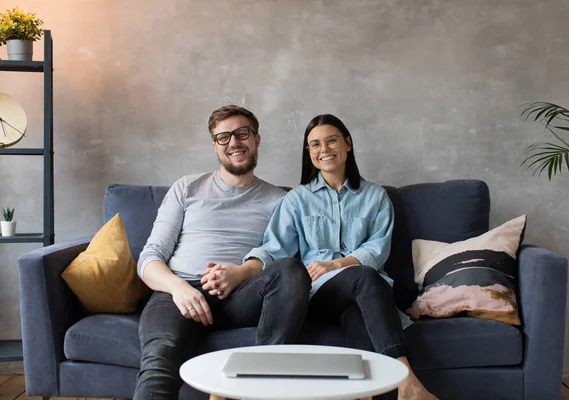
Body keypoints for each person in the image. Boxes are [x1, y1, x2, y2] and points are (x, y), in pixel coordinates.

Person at [233, 114, 437, 400]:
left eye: (331, 140)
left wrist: (337, 263)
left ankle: (370, 394)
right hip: (317, 294)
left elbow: (377, 250)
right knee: (364, 277)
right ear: (309, 153)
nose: (324, 149)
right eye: (314, 144)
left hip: (365, 296)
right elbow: (275, 249)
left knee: (359, 315)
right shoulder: (296, 200)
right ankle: (408, 383)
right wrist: (242, 270)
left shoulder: (375, 197)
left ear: (348, 144)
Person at [133, 105, 311, 400]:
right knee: (159, 360)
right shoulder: (186, 188)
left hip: (243, 297)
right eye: (223, 137)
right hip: (181, 292)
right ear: (214, 145)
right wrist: (179, 289)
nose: (234, 142)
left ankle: (262, 380)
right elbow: (149, 258)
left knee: (291, 268)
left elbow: (284, 255)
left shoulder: (282, 200)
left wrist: (240, 273)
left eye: (242, 133)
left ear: (256, 139)